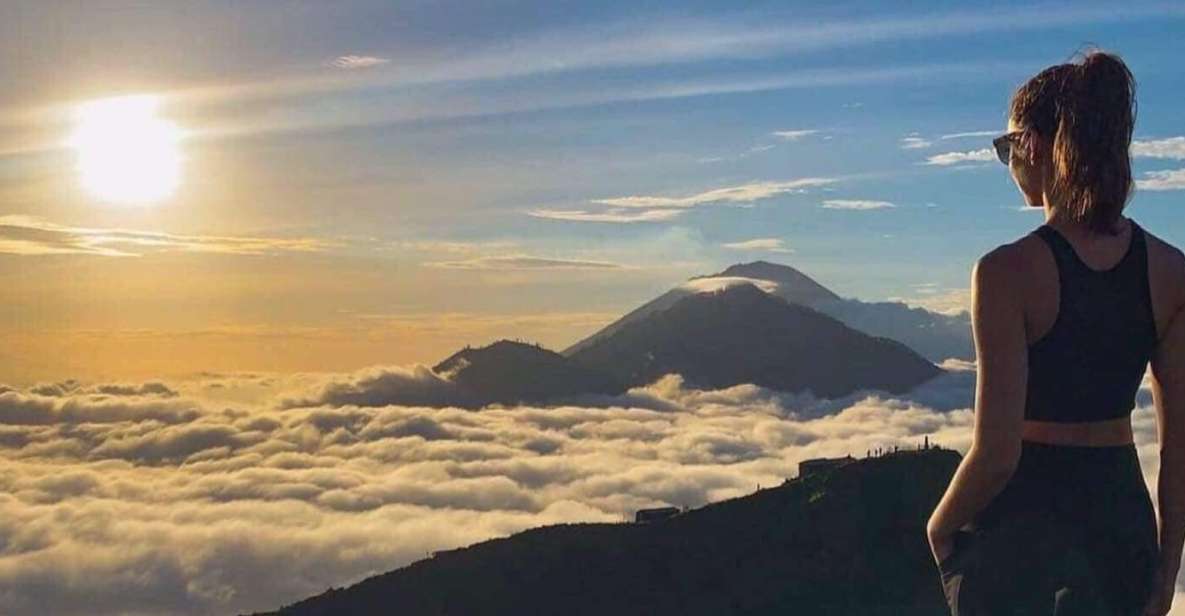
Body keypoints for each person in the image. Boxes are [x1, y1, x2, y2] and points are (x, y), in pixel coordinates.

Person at [925, 47, 1185, 615]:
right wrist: (1166, 573)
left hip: (1021, 537)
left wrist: (940, 529)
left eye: (1006, 147)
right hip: (1122, 527)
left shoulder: (1005, 273)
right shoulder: (1171, 271)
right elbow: (1178, 448)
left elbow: (996, 453)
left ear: (1035, 147)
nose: (1008, 162)